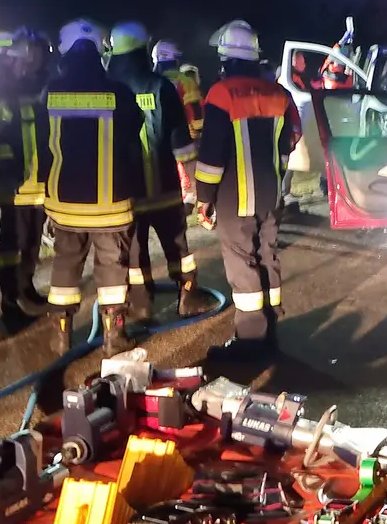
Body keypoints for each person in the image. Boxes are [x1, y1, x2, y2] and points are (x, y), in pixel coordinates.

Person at [191, 19, 299, 361]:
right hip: (271, 194)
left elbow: (212, 155)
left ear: (226, 58)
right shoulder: (279, 94)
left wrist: (204, 198)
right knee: (268, 256)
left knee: (242, 262)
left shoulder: (222, 93)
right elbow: (288, 144)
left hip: (234, 197)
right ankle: (271, 330)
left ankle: (251, 341)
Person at [43, 18, 149, 357]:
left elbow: (42, 144)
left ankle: (60, 337)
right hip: (111, 204)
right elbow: (134, 133)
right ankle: (114, 337)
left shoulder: (51, 91)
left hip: (65, 204)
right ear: (100, 52)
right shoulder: (119, 92)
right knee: (112, 267)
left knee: (65, 265)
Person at [106, 20, 214, 321]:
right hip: (163, 186)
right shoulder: (160, 87)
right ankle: (188, 296)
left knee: (135, 250)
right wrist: (196, 189)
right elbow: (183, 146)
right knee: (177, 245)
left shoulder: (107, 90)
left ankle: (141, 305)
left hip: (124, 192)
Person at [0, 28, 52, 331]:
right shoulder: (4, 88)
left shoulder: (44, 86)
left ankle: (26, 288)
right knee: (13, 242)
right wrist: (3, 170)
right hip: (15, 183)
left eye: (36, 52)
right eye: (27, 52)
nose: (30, 58)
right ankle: (10, 299)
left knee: (33, 241)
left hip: (39, 180)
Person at [153, 39, 204, 203]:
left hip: (157, 140)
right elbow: (196, 110)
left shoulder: (152, 80)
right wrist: (198, 133)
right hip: (184, 138)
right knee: (190, 179)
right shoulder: (185, 81)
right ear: (175, 58)